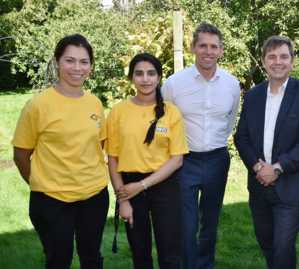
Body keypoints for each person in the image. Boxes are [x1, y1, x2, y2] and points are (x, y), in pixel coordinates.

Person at [11, 34, 109, 268]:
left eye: (84, 62)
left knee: (92, 258)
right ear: (56, 62)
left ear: (90, 65)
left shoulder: (95, 103)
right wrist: (44, 184)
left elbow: (98, 145)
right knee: (58, 261)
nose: (77, 68)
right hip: (52, 201)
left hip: (94, 197)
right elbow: (21, 156)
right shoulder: (37, 105)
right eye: (70, 60)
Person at [234, 36, 299, 269]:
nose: (278, 62)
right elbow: (240, 136)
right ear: (263, 61)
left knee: (283, 246)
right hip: (259, 184)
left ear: (292, 61)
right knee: (268, 245)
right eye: (272, 57)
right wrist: (258, 168)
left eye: (284, 56)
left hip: (292, 186)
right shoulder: (252, 95)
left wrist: (276, 169)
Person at [160, 23, 240, 269]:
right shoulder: (174, 84)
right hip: (185, 161)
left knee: (211, 222)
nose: (208, 51)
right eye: (203, 45)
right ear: (193, 47)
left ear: (221, 50)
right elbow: (163, 121)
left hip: (217, 159)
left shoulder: (231, 83)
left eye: (213, 46)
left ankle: (206, 265)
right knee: (187, 224)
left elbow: (230, 121)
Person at [106, 53, 188, 269]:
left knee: (170, 254)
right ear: (132, 77)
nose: (145, 79)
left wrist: (142, 185)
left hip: (164, 185)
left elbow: (177, 160)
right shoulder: (118, 112)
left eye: (151, 74)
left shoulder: (171, 112)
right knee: (140, 254)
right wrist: (123, 198)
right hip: (129, 186)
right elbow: (112, 159)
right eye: (139, 73)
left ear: (159, 77)